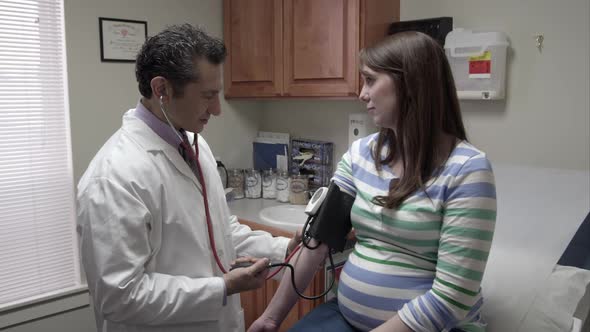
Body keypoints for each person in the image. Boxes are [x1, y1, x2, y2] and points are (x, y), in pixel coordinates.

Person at [248, 31, 497, 332]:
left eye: (370, 80)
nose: (362, 94)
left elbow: (452, 298)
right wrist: (271, 317)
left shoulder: (467, 170)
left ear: (410, 84)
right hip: (346, 317)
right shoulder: (361, 154)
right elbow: (318, 240)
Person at [76, 24, 300, 332]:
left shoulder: (194, 144)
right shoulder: (114, 177)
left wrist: (283, 248)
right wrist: (222, 288)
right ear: (161, 90)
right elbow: (119, 297)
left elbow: (218, 228)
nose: (218, 109)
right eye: (208, 96)